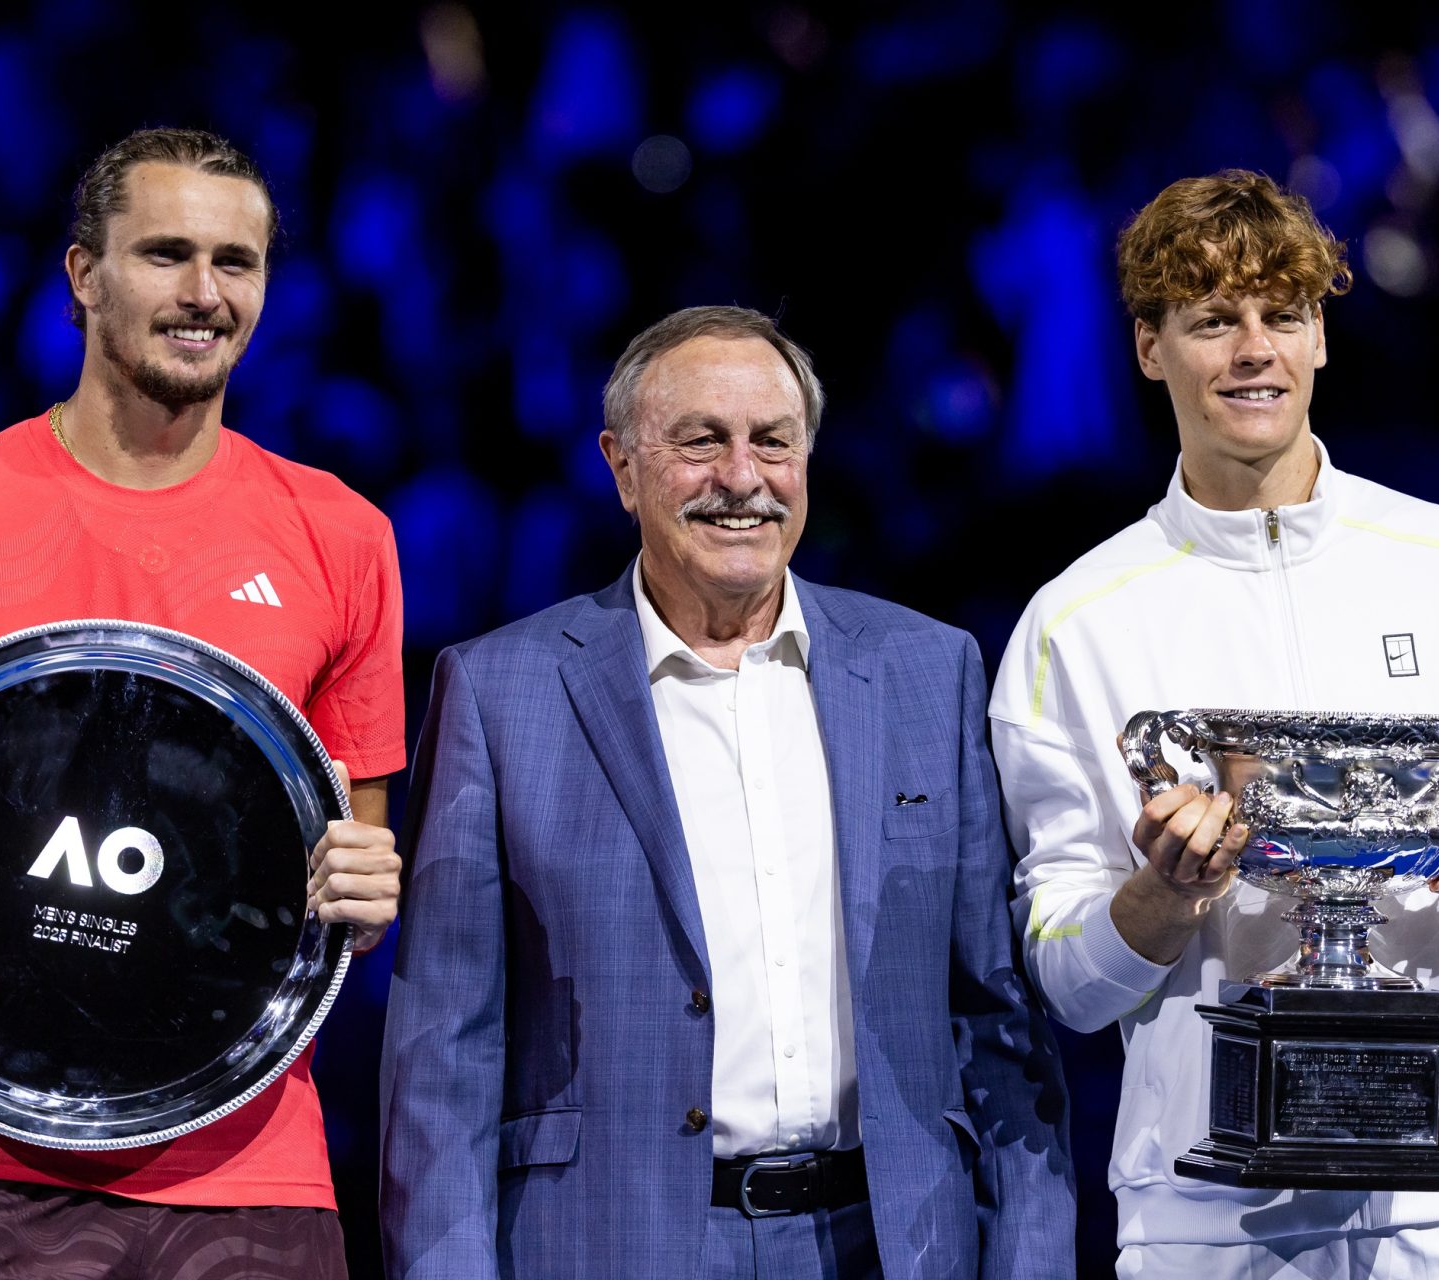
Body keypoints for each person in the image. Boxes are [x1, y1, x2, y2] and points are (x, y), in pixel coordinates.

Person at [0, 127, 405, 1278]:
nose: (205, 293)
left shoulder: (345, 537)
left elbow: (350, 853)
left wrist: (371, 883)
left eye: (237, 261)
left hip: (255, 1182)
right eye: (166, 254)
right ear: (83, 276)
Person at [989, 169, 1439, 1278]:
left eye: (1283, 314)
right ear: (1150, 348)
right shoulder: (1075, 623)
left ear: (1321, 335)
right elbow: (1068, 980)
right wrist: (1162, 895)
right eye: (1212, 320)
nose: (1253, 350)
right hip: (1210, 1220)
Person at [378, 305, 1075, 1279]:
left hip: (892, 1244)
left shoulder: (929, 669)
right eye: (701, 441)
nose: (742, 478)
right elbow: (443, 1059)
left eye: (772, 442)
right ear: (623, 468)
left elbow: (997, 1023)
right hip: (607, 1247)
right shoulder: (501, 693)